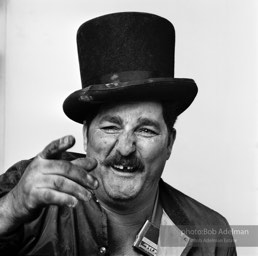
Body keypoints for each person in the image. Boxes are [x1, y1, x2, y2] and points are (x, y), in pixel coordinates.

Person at [0, 12, 236, 256]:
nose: (125, 148)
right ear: (85, 136)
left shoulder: (211, 237)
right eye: (110, 127)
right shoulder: (28, 188)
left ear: (169, 143)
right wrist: (9, 210)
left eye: (145, 130)